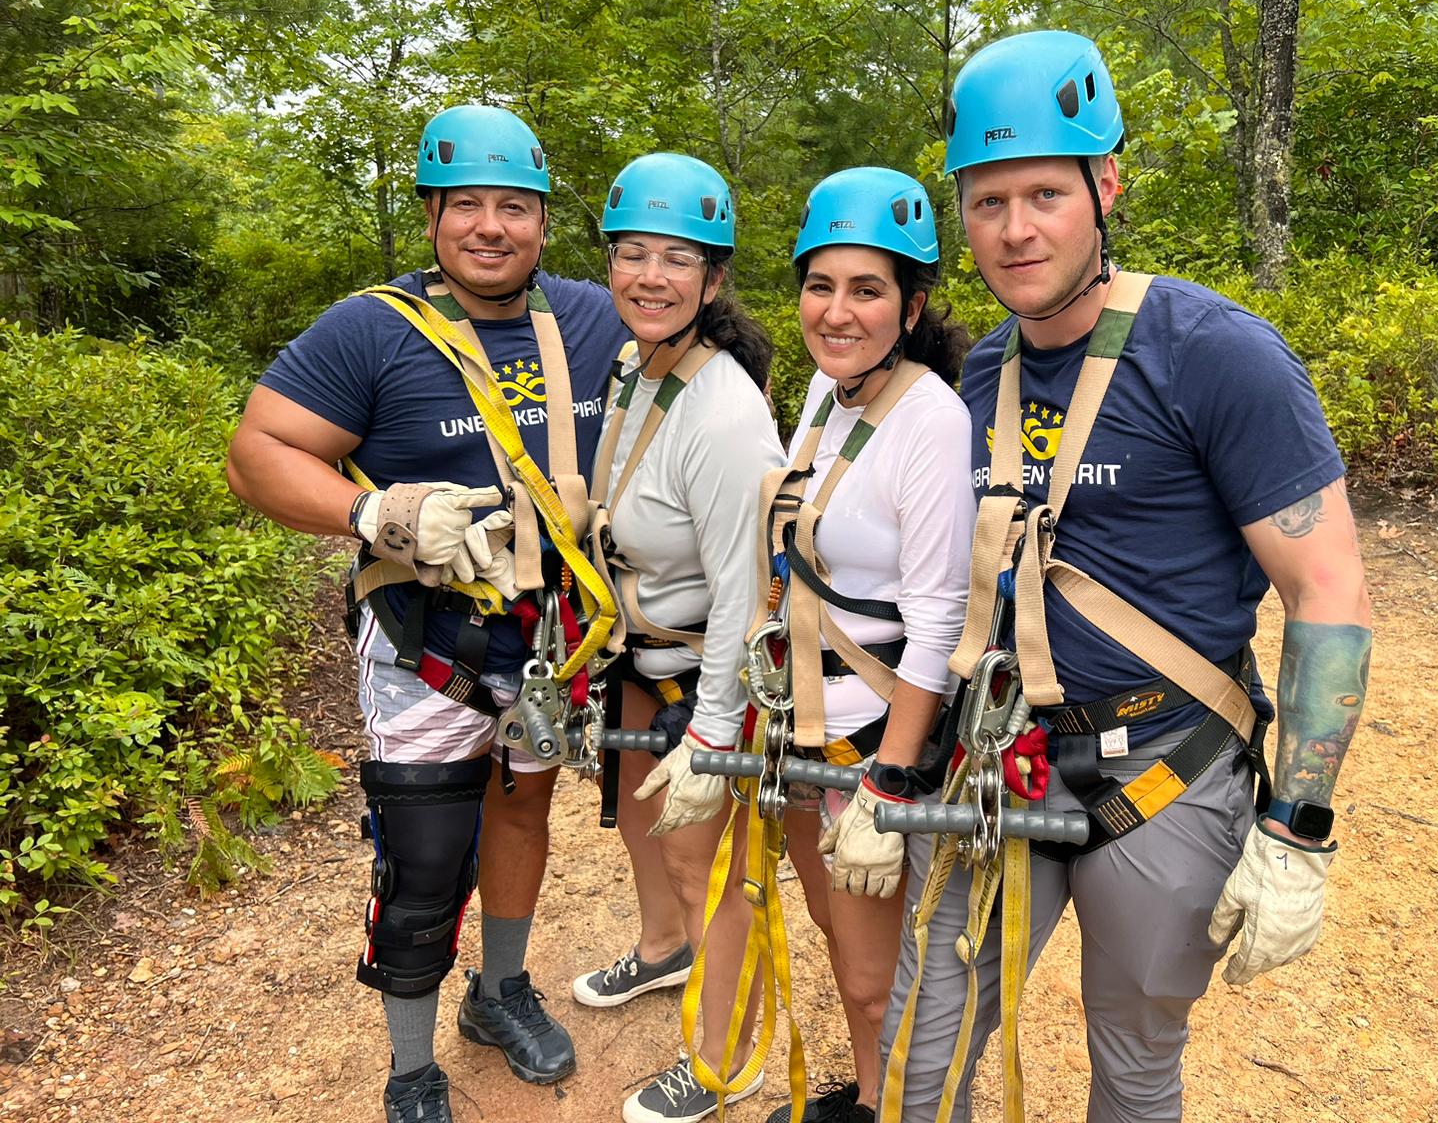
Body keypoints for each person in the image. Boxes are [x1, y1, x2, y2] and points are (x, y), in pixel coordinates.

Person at [877, 30, 1373, 1123]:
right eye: (987, 200)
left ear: (1104, 188)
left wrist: (1296, 828)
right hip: (999, 753)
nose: (1014, 230)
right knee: (922, 1054)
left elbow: (1328, 590)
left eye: (1044, 194)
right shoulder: (987, 370)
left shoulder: (1211, 352)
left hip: (1163, 762)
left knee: (1135, 1064)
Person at [226, 104, 629, 1123]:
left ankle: (498, 993)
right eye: (466, 207)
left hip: (547, 642)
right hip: (423, 641)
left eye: (514, 208)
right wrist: (375, 510)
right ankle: (410, 1064)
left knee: (524, 810)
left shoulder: (591, 317)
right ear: (431, 216)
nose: (490, 227)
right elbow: (259, 453)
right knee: (421, 853)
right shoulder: (370, 330)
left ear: (544, 221)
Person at [564, 152, 786, 1123]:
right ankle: (663, 953)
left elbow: (749, 592)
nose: (650, 275)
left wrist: (711, 735)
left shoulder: (725, 410)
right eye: (632, 253)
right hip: (638, 654)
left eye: (676, 259)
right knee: (639, 827)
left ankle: (721, 1057)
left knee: (710, 864)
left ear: (714, 278)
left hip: (707, 669)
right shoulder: (632, 364)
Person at [754, 167, 975, 1123]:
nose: (836, 312)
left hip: (871, 741)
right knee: (843, 949)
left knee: (879, 973)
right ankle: (872, 1093)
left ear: (913, 304)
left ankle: (900, 1106)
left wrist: (886, 785)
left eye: (867, 289)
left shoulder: (930, 419)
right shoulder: (825, 390)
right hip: (808, 723)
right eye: (820, 285)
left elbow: (937, 623)